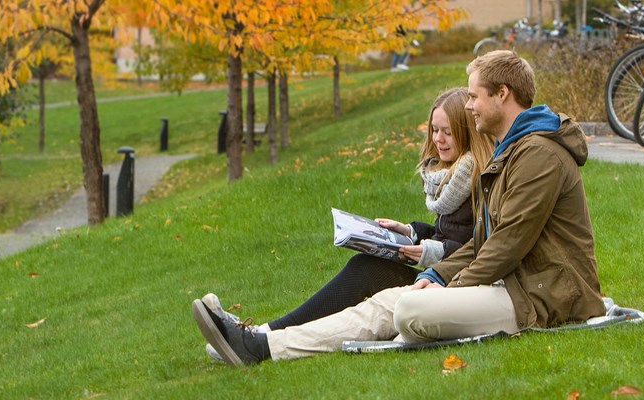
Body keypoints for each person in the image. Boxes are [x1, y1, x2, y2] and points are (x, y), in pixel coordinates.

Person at [191, 50, 606, 366]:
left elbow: (509, 244)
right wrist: (434, 273)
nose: (470, 106)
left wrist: (447, 286)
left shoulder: (538, 156)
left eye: (475, 96)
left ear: (503, 94)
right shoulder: (510, 151)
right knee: (390, 299)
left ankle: (259, 342)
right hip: (513, 287)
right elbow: (484, 242)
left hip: (544, 298)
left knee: (408, 307)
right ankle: (261, 345)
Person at [202, 88, 494, 344]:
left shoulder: (476, 178)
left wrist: (426, 252)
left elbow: (477, 247)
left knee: (365, 269)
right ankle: (264, 333)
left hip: (456, 285)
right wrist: (409, 232)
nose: (438, 139)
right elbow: (451, 232)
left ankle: (263, 335)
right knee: (366, 263)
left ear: (466, 132)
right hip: (441, 276)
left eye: (447, 132)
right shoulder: (448, 175)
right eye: (434, 130)